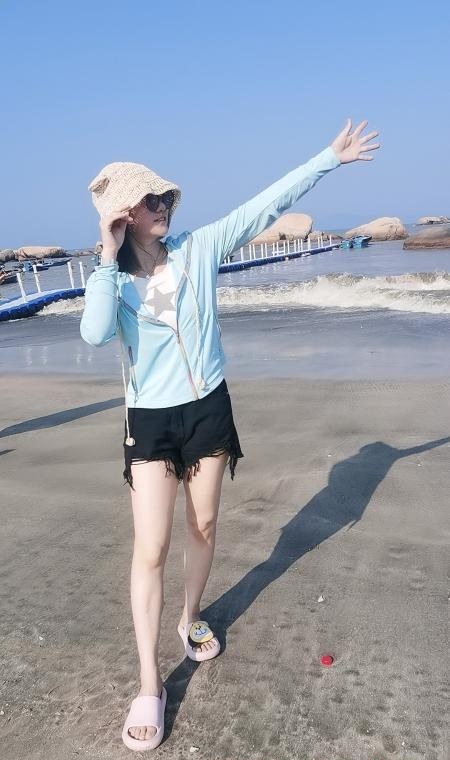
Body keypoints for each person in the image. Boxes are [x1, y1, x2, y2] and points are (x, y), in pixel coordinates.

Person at [80, 118, 380, 751]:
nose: (162, 206)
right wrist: (107, 256)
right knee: (151, 546)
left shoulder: (200, 246)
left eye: (164, 196)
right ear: (124, 215)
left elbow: (265, 204)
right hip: (151, 421)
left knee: (205, 525)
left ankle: (190, 618)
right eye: (149, 200)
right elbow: (95, 333)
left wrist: (328, 158)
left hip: (208, 409)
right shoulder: (112, 277)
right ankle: (149, 683)